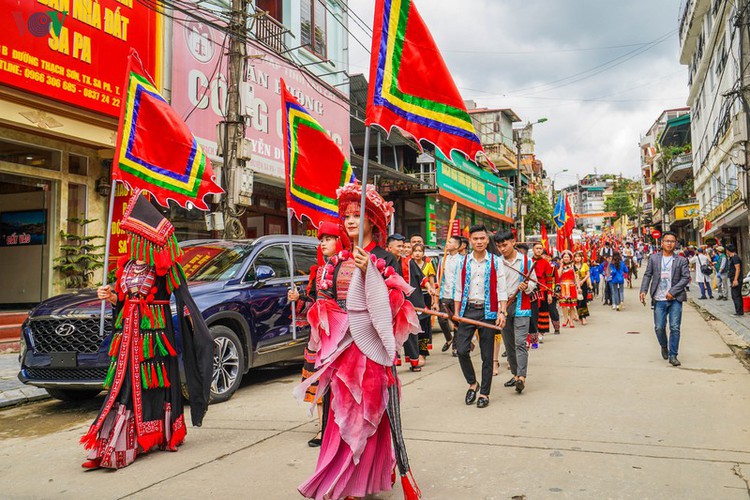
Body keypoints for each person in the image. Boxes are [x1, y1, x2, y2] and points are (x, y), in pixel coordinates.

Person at [298, 181, 421, 499]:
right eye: (347, 215)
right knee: (339, 418)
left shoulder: (385, 259)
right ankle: (342, 480)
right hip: (341, 353)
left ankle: (367, 476)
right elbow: (322, 302)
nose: (351, 220)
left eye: (359, 214)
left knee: (374, 418)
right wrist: (324, 311)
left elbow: (396, 308)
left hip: (372, 353)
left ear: (372, 221)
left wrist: (373, 276)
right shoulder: (336, 260)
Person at [81, 192, 213, 469]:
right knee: (124, 385)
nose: (129, 241)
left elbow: (184, 299)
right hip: (127, 336)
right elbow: (122, 299)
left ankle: (155, 437)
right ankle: (114, 443)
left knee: (153, 385)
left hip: (155, 339)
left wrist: (197, 333)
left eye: (133, 236)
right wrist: (110, 296)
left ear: (146, 240)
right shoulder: (126, 267)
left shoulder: (165, 268)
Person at [288, 221, 351, 448]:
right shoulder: (318, 271)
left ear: (339, 241)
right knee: (319, 380)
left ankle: (343, 426)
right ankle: (323, 428)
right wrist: (299, 300)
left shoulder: (348, 267)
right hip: (319, 334)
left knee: (340, 382)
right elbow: (314, 302)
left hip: (342, 334)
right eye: (321, 240)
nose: (323, 243)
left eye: (328, 239)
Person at [453, 224, 508, 408]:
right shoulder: (463, 261)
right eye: (475, 239)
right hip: (468, 310)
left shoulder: (496, 261)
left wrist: (502, 311)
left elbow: (502, 288)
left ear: (487, 240)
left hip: (488, 311)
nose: (479, 242)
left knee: (487, 355)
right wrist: (456, 312)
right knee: (461, 349)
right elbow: (458, 289)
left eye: (482, 238)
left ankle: (484, 393)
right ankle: (472, 384)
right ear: (470, 240)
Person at [640, 231, 691, 366]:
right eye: (667, 241)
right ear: (662, 243)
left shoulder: (681, 260)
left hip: (675, 299)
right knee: (659, 327)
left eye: (672, 241)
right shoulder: (654, 258)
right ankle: (664, 346)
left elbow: (686, 277)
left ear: (676, 244)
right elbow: (647, 275)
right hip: (659, 299)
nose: (669, 243)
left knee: (675, 327)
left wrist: (673, 292)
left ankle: (673, 355)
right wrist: (643, 290)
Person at [495, 231, 537, 394]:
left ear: (513, 242)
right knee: (509, 343)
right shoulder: (497, 263)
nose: (502, 249)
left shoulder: (526, 261)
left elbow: (534, 282)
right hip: (503, 308)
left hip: (521, 306)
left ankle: (521, 377)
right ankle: (514, 373)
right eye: (499, 246)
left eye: (504, 245)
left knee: (520, 342)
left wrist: (527, 287)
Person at [387, 234, 426, 371]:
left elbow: (421, 278)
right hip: (388, 303)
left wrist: (431, 289)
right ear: (389, 248)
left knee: (409, 331)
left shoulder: (407, 261)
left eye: (403, 246)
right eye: (399, 246)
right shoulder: (384, 261)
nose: (402, 249)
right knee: (390, 332)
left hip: (405, 302)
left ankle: (414, 361)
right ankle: (394, 360)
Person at [411, 242, 437, 366]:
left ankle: (423, 353)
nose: (417, 253)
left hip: (425, 297)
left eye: (419, 251)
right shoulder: (408, 265)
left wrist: (434, 301)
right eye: (415, 250)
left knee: (424, 326)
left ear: (423, 253)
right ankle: (414, 353)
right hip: (412, 297)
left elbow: (432, 284)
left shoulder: (428, 265)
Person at [437, 235, 462, 355]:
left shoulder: (462, 260)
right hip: (444, 294)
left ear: (457, 246)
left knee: (457, 321)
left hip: (457, 295)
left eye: (450, 242)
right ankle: (448, 338)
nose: (447, 244)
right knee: (441, 319)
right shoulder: (443, 260)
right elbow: (439, 277)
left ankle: (455, 347)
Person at [557, 250, 579, 328]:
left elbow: (576, 277)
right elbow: (558, 275)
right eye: (564, 257)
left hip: (571, 287)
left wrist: (578, 287)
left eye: (567, 257)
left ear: (570, 258)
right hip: (563, 287)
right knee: (564, 305)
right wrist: (561, 266)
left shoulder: (573, 266)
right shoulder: (560, 267)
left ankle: (571, 320)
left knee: (572, 305)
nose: (566, 258)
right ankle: (565, 318)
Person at [573, 251, 590, 325]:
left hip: (583, 284)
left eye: (579, 257)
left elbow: (588, 274)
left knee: (583, 300)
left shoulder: (585, 265)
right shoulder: (572, 266)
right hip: (574, 284)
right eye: (576, 257)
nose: (577, 258)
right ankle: (578, 315)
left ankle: (583, 317)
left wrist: (583, 280)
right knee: (576, 300)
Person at [727, 244, 744, 316]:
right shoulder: (732, 258)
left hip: (736, 279)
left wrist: (735, 279)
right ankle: (739, 311)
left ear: (728, 250)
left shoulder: (735, 258)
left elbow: (737, 268)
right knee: (737, 295)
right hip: (733, 278)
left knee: (735, 295)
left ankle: (739, 312)